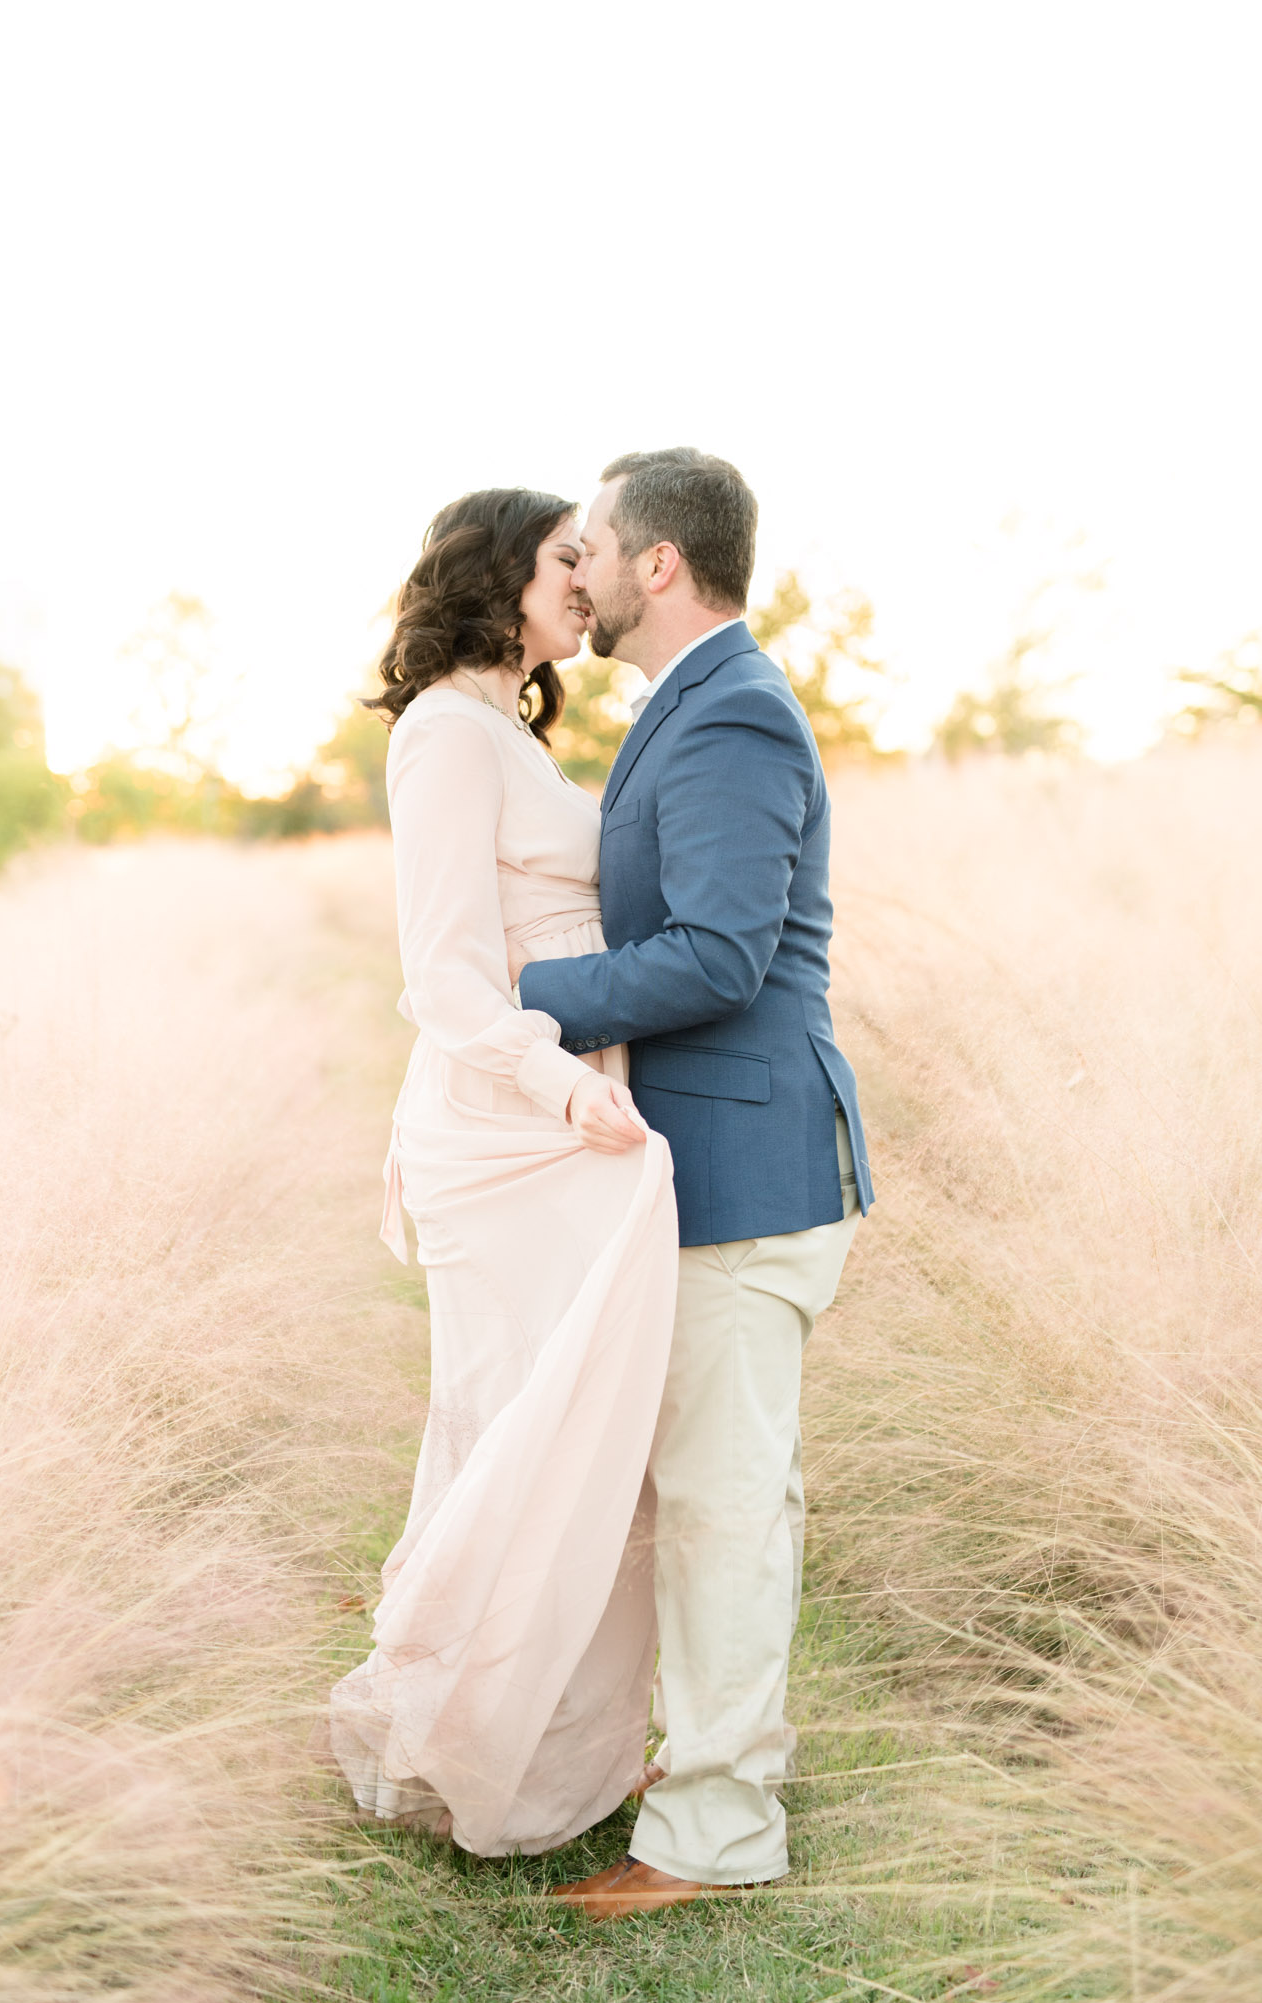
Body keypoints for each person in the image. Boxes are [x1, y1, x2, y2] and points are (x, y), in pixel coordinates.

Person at [518, 448, 873, 1919]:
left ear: (659, 564)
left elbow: (723, 956)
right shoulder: (693, 702)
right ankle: (704, 1773)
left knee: (727, 1508)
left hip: (747, 1163)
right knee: (704, 1494)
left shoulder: (728, 711)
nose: (579, 569)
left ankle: (717, 1839)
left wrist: (523, 990)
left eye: (595, 545)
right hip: (711, 1162)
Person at [328, 489, 678, 1857]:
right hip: (515, 1124)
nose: (584, 577)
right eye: (563, 557)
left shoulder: (504, 732)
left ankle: (564, 1765)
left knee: (598, 1437)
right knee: (525, 1432)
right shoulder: (443, 735)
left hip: (558, 1110)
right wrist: (563, 1083)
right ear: (499, 574)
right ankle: (468, 1750)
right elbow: (447, 974)